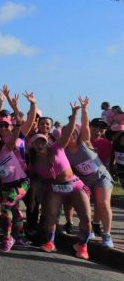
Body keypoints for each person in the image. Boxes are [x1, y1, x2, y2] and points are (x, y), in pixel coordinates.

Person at [30, 102, 93, 260]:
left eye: (43, 141)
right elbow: (36, 181)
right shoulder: (34, 163)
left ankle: (82, 246)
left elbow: (68, 132)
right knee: (50, 215)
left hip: (74, 185)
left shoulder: (57, 148)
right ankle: (50, 242)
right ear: (32, 145)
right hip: (55, 188)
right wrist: (32, 198)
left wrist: (75, 114)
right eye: (36, 142)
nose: (40, 144)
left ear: (47, 142)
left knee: (86, 217)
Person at [0, 92, 36, 252]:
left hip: (22, 181)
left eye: (6, 125)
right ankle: (20, 238)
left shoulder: (8, 147)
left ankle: (7, 237)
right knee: (15, 211)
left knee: (6, 205)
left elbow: (21, 128)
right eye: (0, 125)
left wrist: (29, 108)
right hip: (6, 185)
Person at [65, 97, 115, 248]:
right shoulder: (65, 151)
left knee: (103, 202)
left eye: (74, 133)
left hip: (101, 176)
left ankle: (106, 235)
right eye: (69, 133)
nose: (72, 136)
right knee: (83, 206)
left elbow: (86, 125)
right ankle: (87, 230)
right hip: (85, 180)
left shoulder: (85, 142)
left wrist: (84, 109)